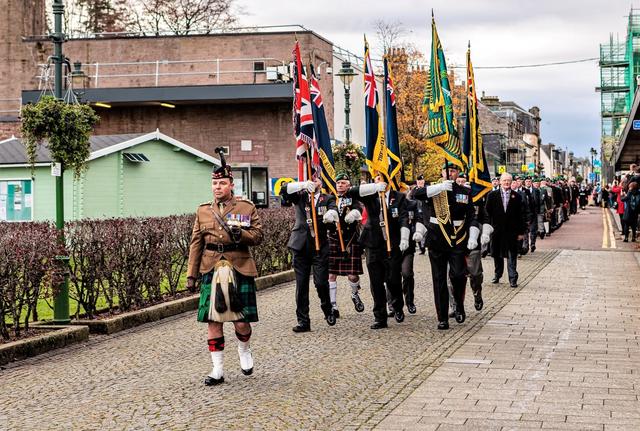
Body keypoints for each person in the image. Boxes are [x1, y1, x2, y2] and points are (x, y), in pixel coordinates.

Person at [187, 148, 264, 386]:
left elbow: (259, 236)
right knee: (213, 320)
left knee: (241, 320)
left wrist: (240, 233)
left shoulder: (246, 208)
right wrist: (191, 275)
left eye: (222, 183)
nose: (217, 187)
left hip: (238, 266)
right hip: (211, 267)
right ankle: (217, 369)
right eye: (214, 183)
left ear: (231, 184)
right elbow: (196, 244)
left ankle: (244, 349)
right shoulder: (203, 210)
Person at [412, 162, 476, 330]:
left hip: (457, 239)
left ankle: (459, 305)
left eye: (453, 171)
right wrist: (439, 187)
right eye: (447, 171)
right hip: (437, 239)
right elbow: (415, 194)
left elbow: (470, 216)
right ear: (441, 172)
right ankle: (442, 317)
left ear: (457, 174)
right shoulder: (434, 189)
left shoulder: (464, 192)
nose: (450, 173)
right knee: (439, 279)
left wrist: (474, 234)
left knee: (458, 275)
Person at [344, 174, 409, 329]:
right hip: (372, 243)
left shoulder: (398, 197)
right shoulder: (370, 194)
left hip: (392, 243)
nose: (379, 181)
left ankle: (397, 306)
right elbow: (351, 191)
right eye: (377, 178)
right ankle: (380, 316)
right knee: (376, 282)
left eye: (381, 178)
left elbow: (403, 218)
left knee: (393, 279)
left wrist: (405, 236)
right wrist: (373, 187)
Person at [281, 177, 339, 333]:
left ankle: (327, 309)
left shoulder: (327, 198)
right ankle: (303, 321)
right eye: (311, 179)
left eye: (317, 179)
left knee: (321, 282)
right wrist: (302, 185)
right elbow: (284, 190)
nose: (314, 181)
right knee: (301, 285)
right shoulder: (300, 196)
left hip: (319, 247)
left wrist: (331, 215)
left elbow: (334, 209)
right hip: (300, 245)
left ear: (322, 182)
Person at [328, 172, 366, 317]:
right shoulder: (330, 198)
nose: (340, 185)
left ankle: (355, 294)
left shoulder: (353, 198)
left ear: (348, 185)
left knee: (352, 276)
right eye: (338, 183)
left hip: (350, 240)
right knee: (331, 274)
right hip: (333, 239)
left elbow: (359, 209)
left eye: (343, 183)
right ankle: (333, 306)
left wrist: (355, 213)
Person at [485, 173, 526, 288]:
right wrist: (488, 228)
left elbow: (521, 216)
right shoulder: (492, 195)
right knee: (497, 254)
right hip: (497, 231)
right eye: (504, 181)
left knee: (512, 255)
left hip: (512, 232)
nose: (506, 183)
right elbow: (487, 213)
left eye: (509, 180)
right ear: (500, 182)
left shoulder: (517, 196)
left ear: (511, 181)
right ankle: (497, 274)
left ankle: (513, 278)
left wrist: (521, 232)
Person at [413, 175, 428, 255]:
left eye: (421, 181)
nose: (420, 182)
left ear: (424, 181)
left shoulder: (427, 189)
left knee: (427, 231)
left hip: (426, 214)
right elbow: (409, 199)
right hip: (417, 214)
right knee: (418, 231)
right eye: (418, 181)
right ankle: (422, 248)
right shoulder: (414, 190)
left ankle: (425, 246)